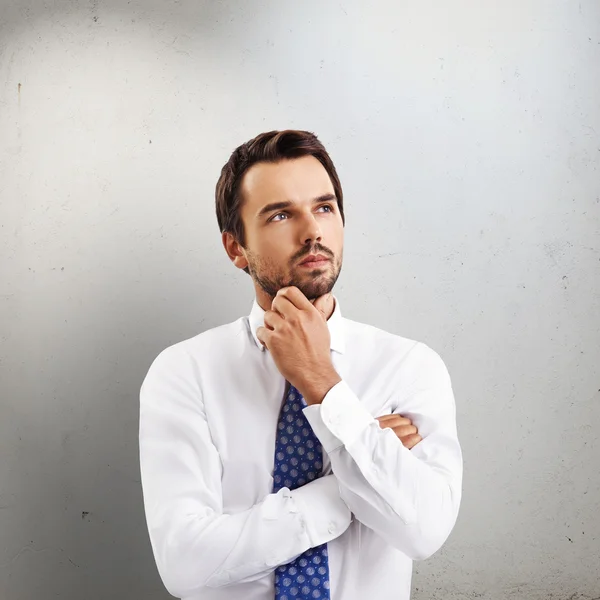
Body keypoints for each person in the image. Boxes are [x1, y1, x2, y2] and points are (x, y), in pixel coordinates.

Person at [139, 130, 463, 600]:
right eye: (281, 214)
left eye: (325, 208)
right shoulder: (184, 373)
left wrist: (323, 385)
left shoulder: (410, 366)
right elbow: (186, 565)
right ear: (236, 248)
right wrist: (350, 484)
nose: (312, 230)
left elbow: (424, 532)